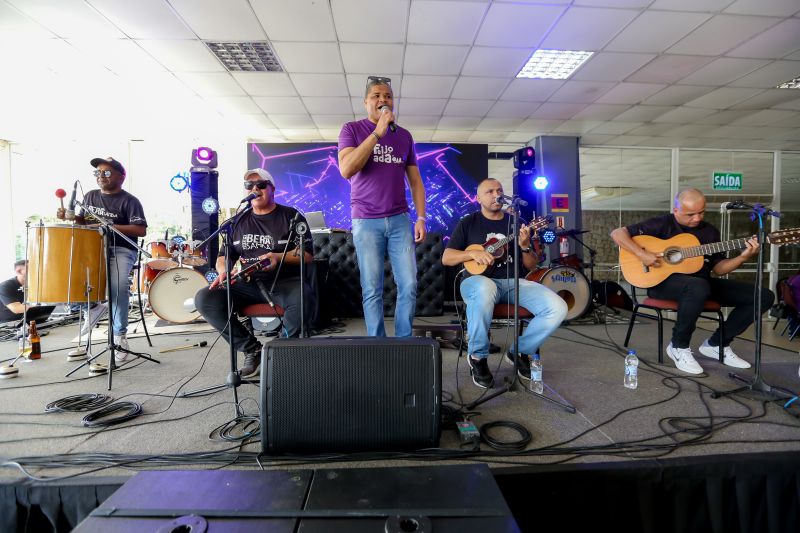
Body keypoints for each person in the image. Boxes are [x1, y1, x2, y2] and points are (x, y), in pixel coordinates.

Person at [611, 188, 774, 375]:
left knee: (763, 296)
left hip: (700, 284)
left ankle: (717, 344)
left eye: (701, 212)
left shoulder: (709, 232)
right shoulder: (661, 224)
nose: (697, 218)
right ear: (676, 210)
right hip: (661, 284)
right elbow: (617, 233)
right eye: (690, 214)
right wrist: (641, 254)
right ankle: (678, 346)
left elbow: (719, 269)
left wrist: (743, 257)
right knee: (697, 286)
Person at [442, 179, 568, 388]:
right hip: (476, 282)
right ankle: (478, 357)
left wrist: (525, 246)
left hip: (512, 282)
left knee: (558, 307)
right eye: (489, 191)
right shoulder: (468, 222)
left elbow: (530, 265)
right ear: (478, 198)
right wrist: (472, 253)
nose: (496, 194)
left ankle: (519, 351)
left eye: (499, 190)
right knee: (486, 287)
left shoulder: (516, 223)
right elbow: (447, 258)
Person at [194, 169, 315, 378]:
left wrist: (278, 257)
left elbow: (307, 254)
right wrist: (224, 271)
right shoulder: (236, 222)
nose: (255, 189)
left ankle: (283, 352)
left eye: (261, 184)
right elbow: (223, 257)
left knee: (303, 298)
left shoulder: (292, 216)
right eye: (249, 185)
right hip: (246, 282)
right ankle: (252, 349)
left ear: (272, 189)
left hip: (284, 281)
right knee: (205, 298)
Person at [338, 75, 426, 337]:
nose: (382, 99)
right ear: (366, 102)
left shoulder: (404, 136)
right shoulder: (351, 129)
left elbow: (415, 181)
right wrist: (378, 132)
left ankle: (403, 341)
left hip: (400, 220)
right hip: (366, 220)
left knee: (409, 284)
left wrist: (421, 217)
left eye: (387, 96)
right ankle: (377, 344)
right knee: (372, 288)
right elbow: (346, 169)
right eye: (376, 96)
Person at [57, 157, 147, 362]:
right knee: (69, 276)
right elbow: (82, 221)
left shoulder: (130, 201)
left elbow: (140, 229)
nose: (100, 176)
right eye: (97, 173)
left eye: (106, 173)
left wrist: (109, 226)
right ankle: (93, 308)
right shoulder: (90, 196)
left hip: (121, 249)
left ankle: (119, 336)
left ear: (121, 177)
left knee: (118, 287)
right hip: (92, 248)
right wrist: (70, 217)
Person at [0, 260, 55, 325]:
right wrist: (44, 305)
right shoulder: (4, 286)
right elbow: (17, 309)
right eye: (33, 269)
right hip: (8, 324)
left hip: (30, 321)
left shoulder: (35, 285)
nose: (37, 272)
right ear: (19, 271)